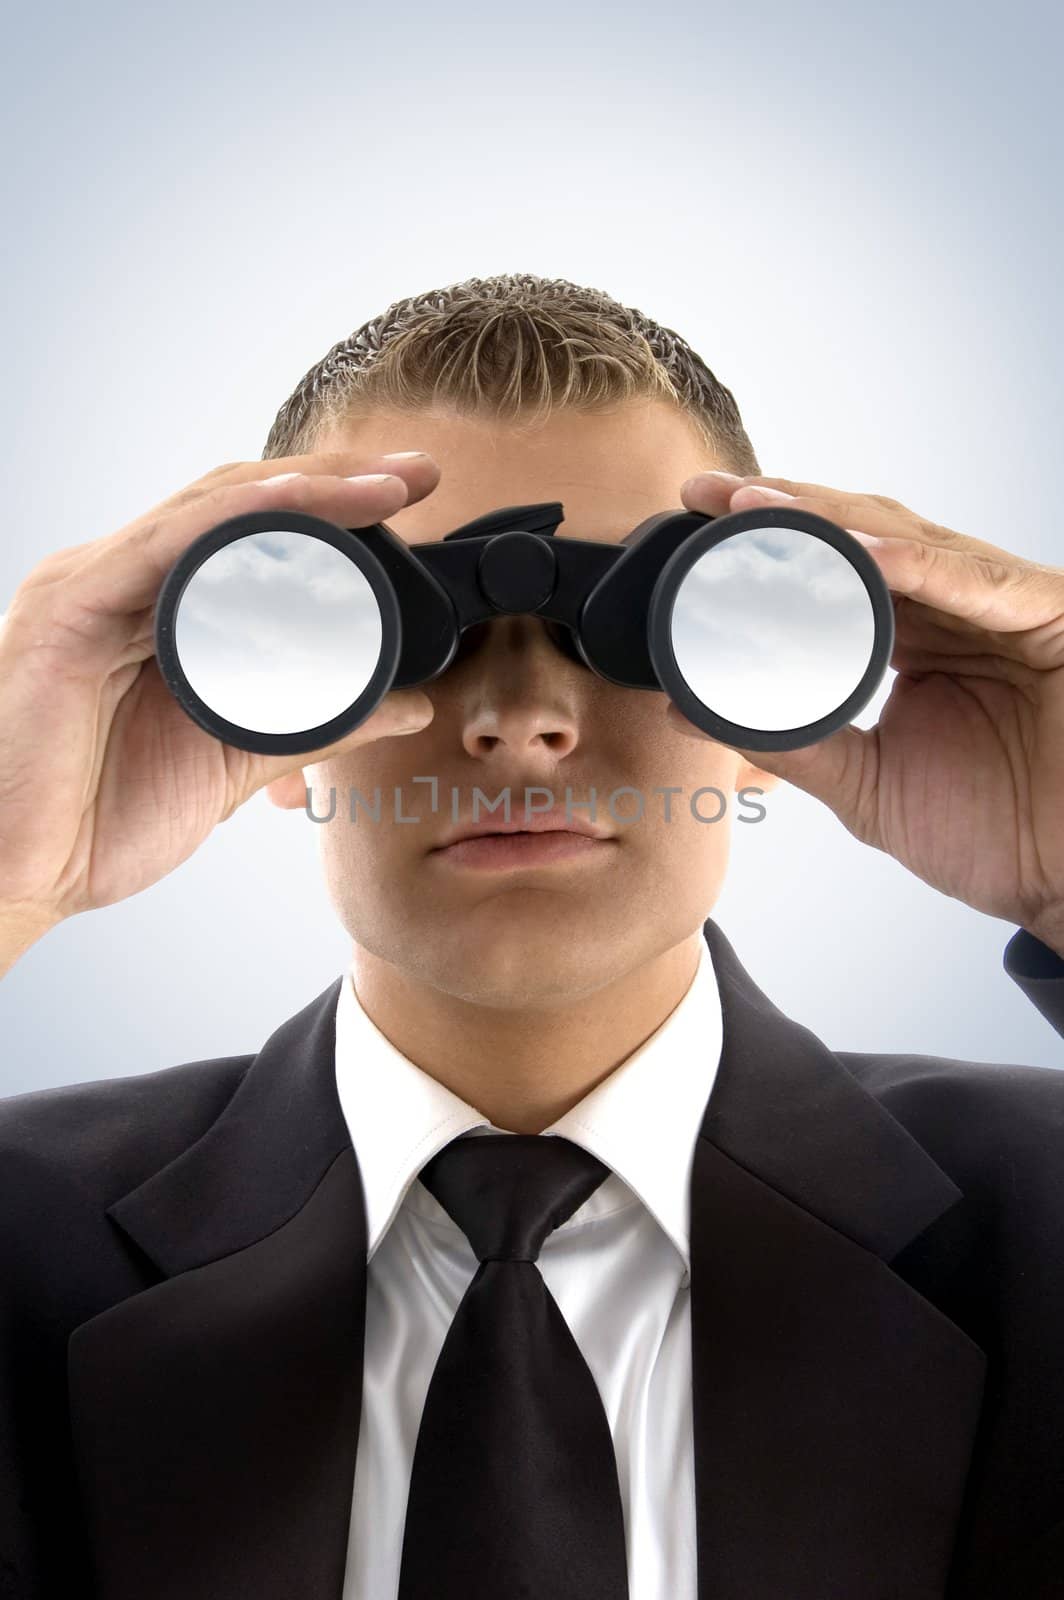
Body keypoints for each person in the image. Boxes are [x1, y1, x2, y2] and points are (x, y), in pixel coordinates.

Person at [0, 272, 1062, 1600]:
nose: (521, 719)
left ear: (768, 715)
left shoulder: (1040, 1210)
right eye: (403, 630)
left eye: (645, 628)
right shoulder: (24, 1236)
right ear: (269, 728)